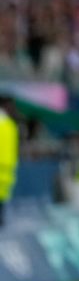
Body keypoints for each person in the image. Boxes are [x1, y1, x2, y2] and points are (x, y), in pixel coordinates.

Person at [0, 97, 18, 227]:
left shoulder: (10, 124)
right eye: (10, 106)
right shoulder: (7, 124)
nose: (13, 109)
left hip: (6, 169)